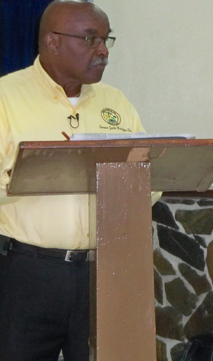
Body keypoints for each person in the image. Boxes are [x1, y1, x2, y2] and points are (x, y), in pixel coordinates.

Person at [0, 1, 158, 360]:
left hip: (104, 272)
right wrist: (45, 171)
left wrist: (131, 184)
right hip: (27, 274)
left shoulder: (116, 102)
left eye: (105, 40)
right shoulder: (6, 98)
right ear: (53, 42)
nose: (102, 51)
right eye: (90, 39)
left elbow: (148, 183)